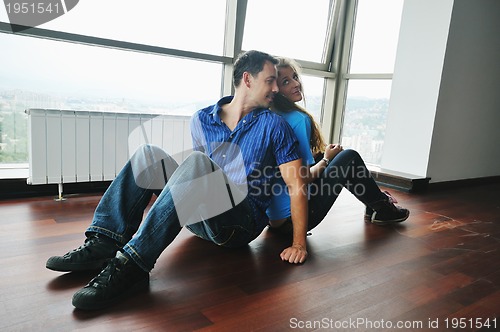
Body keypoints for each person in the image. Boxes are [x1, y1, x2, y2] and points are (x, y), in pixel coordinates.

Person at [45, 50, 309, 311]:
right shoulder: (202, 119)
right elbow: (196, 179)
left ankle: (132, 265)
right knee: (147, 155)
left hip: (238, 225)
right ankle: (104, 243)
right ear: (248, 80)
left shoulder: (275, 125)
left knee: (197, 163)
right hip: (200, 220)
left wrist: (298, 244)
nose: (276, 88)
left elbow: (296, 185)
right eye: (270, 80)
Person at [266, 57, 409, 234]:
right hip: (297, 219)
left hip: (273, 222)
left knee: (327, 158)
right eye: (286, 81)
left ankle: (377, 203)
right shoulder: (297, 120)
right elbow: (302, 179)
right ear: (275, 90)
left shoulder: (267, 117)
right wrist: (326, 159)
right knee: (349, 157)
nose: (296, 84)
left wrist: (323, 158)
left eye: (295, 77)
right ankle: (382, 207)